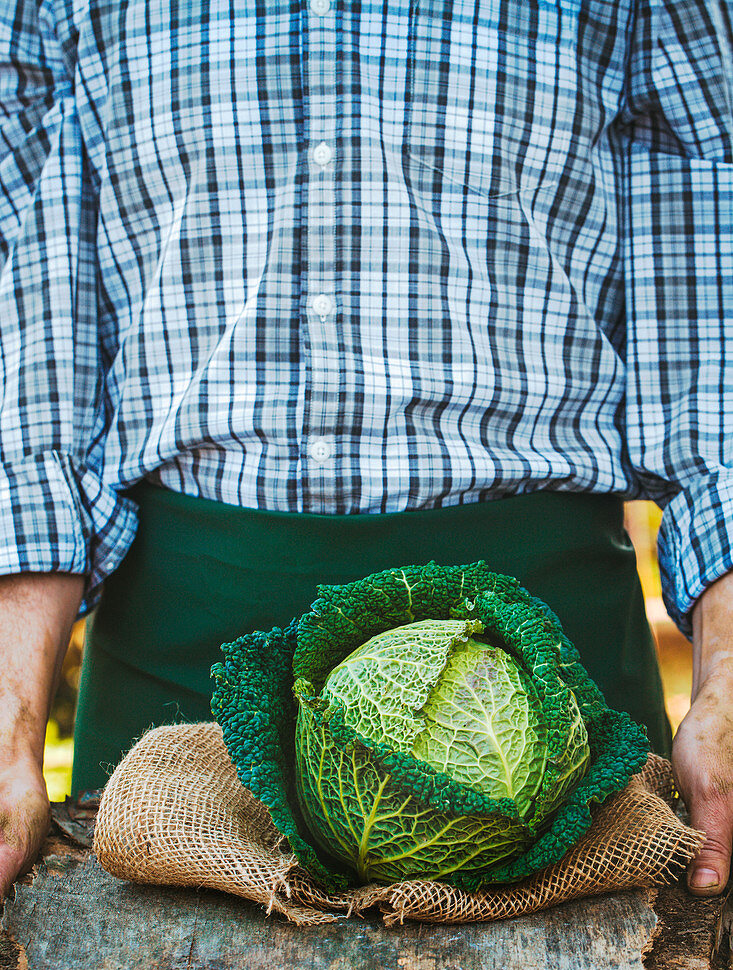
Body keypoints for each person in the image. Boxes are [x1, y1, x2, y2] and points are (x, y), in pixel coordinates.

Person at [0, 0, 731, 901]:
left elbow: (714, 323)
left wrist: (727, 682)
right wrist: (8, 720)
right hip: (178, 693)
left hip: (552, 698)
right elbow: (30, 350)